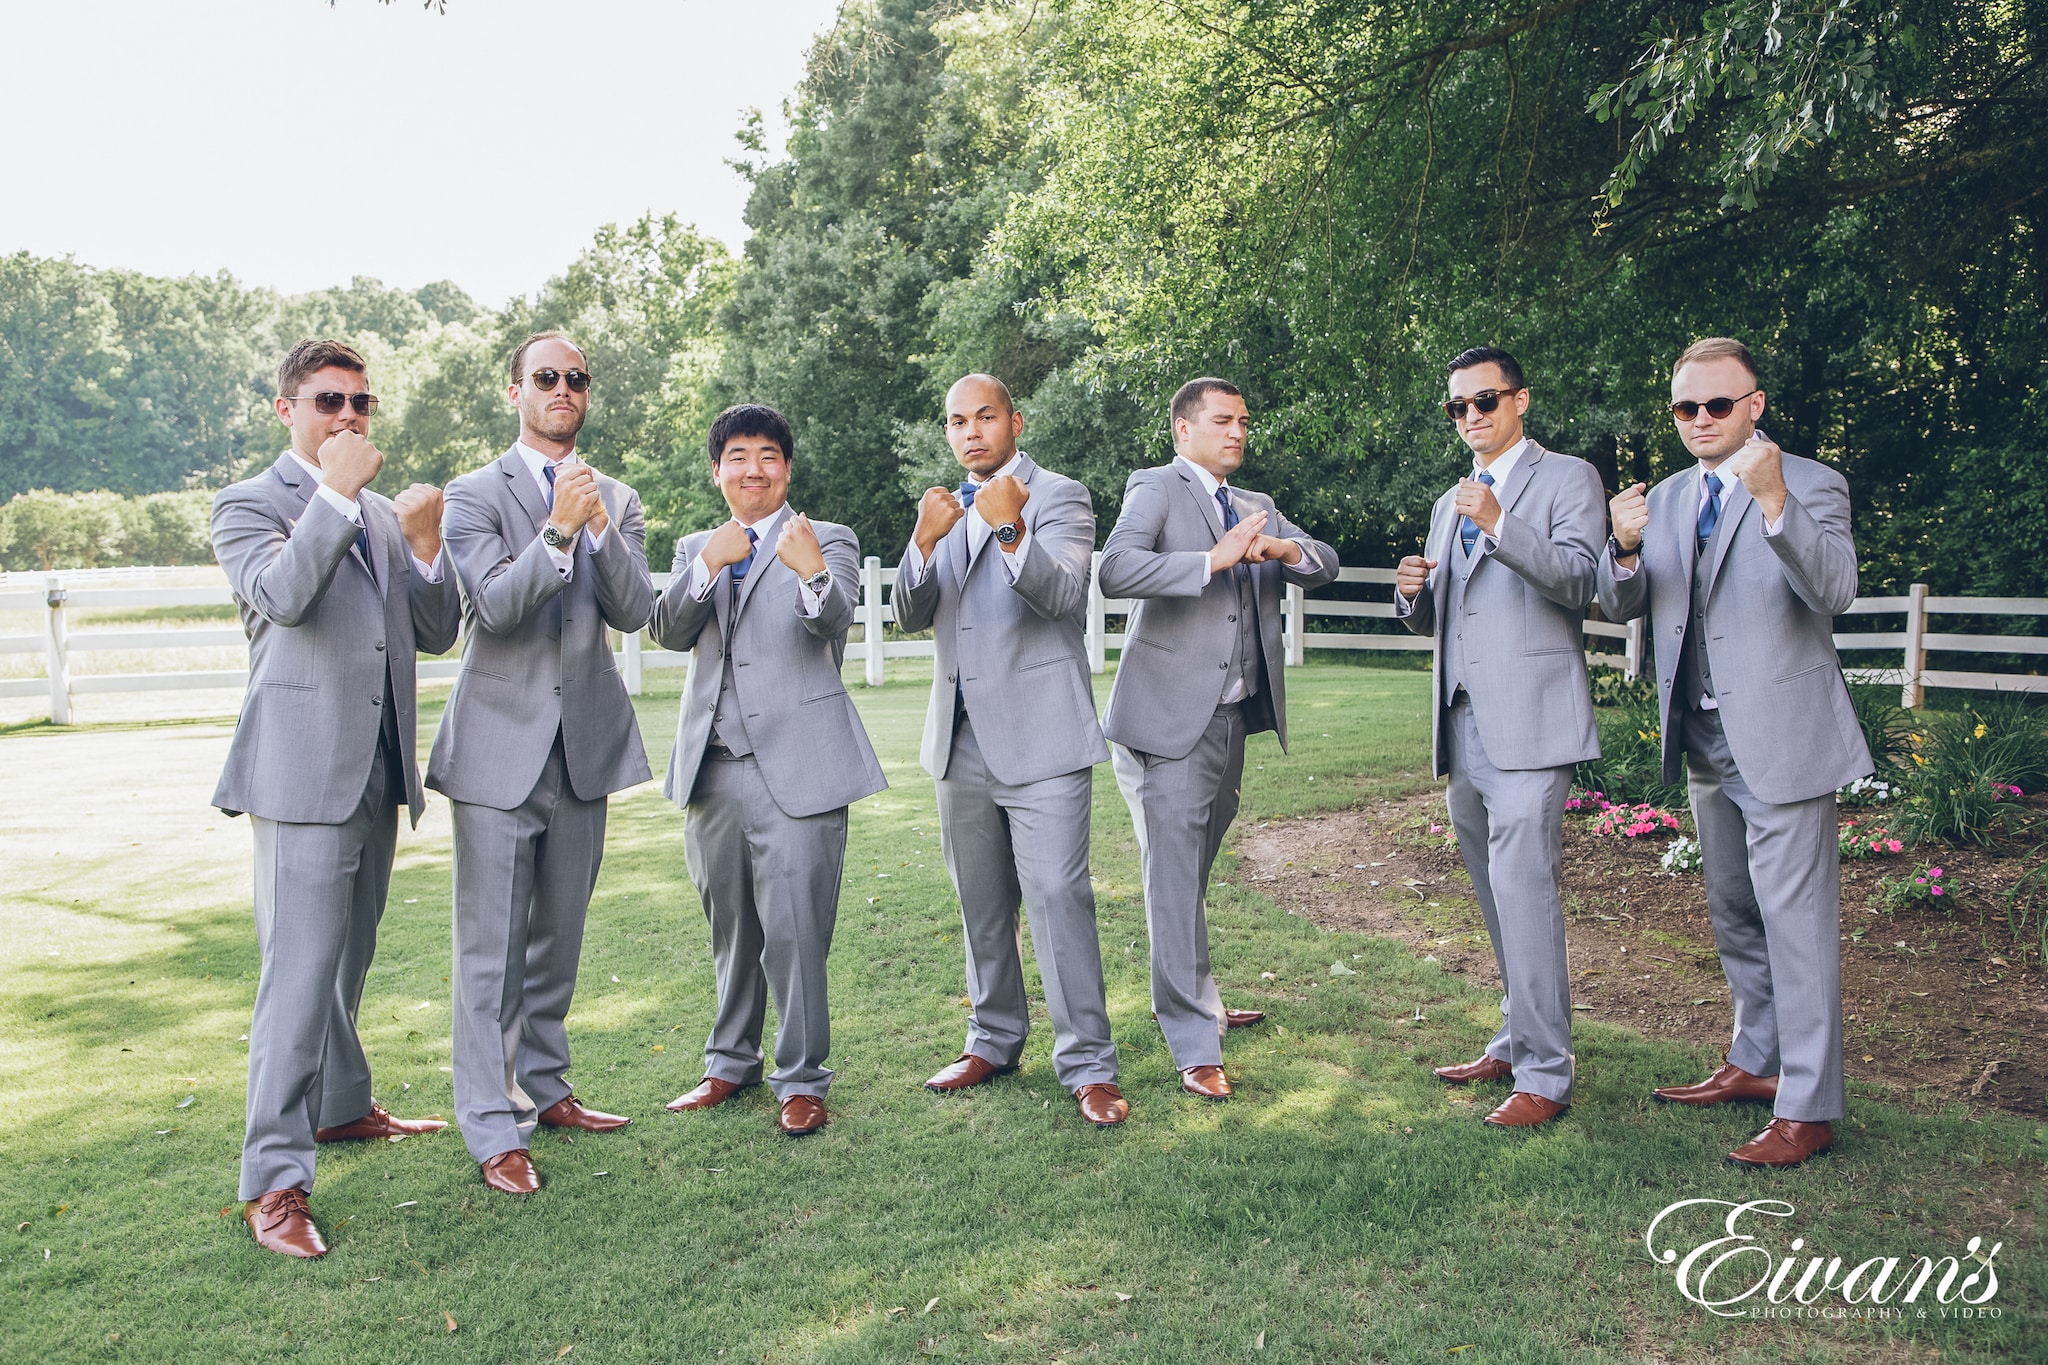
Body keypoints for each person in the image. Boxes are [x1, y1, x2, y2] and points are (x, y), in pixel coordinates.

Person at [212, 339, 461, 1257]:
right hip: (300, 772)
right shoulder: (250, 504)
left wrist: (428, 547)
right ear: (288, 409)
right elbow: (281, 595)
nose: (349, 417)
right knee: (297, 975)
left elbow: (433, 631)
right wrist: (338, 494)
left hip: (377, 770)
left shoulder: (386, 518)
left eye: (361, 402)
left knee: (345, 962)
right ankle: (273, 1183)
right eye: (329, 401)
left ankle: (341, 1107)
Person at [1598, 336, 1871, 1168]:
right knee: (1734, 910)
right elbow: (1624, 602)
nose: (1703, 419)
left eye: (1719, 404)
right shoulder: (1670, 496)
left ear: (1755, 405)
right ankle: (1756, 1062)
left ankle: (1810, 1106)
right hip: (1705, 737)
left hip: (1784, 738)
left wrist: (1776, 499)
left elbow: (1837, 591)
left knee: (1798, 924)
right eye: (1687, 407)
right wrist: (1624, 547)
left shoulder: (1813, 482)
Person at [427, 331, 656, 1194]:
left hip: (584, 745)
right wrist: (557, 532)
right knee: (491, 946)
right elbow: (491, 607)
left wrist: (598, 527)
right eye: (547, 377)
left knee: (559, 936)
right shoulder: (471, 494)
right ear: (515, 389)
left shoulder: (619, 497)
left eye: (577, 379)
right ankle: (492, 1124)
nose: (564, 389)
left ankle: (548, 1086)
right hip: (496, 747)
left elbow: (633, 611)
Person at [892, 373, 1128, 1128]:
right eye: (957, 421)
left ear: (1014, 421)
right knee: (980, 903)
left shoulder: (1060, 494)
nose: (970, 432)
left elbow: (1062, 596)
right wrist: (923, 541)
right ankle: (992, 1038)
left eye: (984, 416)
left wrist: (1008, 526)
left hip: (1043, 737)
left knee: (1060, 897)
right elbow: (908, 613)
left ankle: (1089, 1063)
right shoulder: (940, 505)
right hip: (957, 741)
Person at [1098, 377, 1338, 1100]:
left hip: (1232, 720)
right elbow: (1113, 569)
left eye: (1243, 420)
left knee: (1187, 875)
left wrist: (1281, 550)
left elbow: (1320, 563)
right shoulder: (1156, 488)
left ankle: (1194, 992)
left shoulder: (1256, 505)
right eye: (1222, 420)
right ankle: (1194, 1041)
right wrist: (1212, 561)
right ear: (1183, 430)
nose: (1237, 431)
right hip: (1166, 720)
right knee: (1173, 880)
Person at [650, 404, 886, 1137]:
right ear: (716, 469)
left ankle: (803, 1077)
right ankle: (730, 1062)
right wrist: (708, 563)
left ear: (787, 467)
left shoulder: (827, 537)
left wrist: (811, 569)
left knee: (795, 932)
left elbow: (833, 618)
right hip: (713, 773)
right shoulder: (700, 544)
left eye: (769, 456)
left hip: (799, 767)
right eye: (739, 456)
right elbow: (666, 630)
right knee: (731, 930)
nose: (754, 469)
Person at [1395, 347, 1605, 1128]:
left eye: (1484, 400)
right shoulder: (1450, 500)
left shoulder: (1568, 478)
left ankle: (1547, 1073)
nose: (1471, 416)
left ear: (1520, 400)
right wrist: (1412, 597)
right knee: (1496, 895)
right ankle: (1518, 1036)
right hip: (1464, 723)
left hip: (1533, 720)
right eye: (1458, 406)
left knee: (1527, 891)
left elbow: (1583, 582)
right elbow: (1449, 610)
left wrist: (1503, 524)